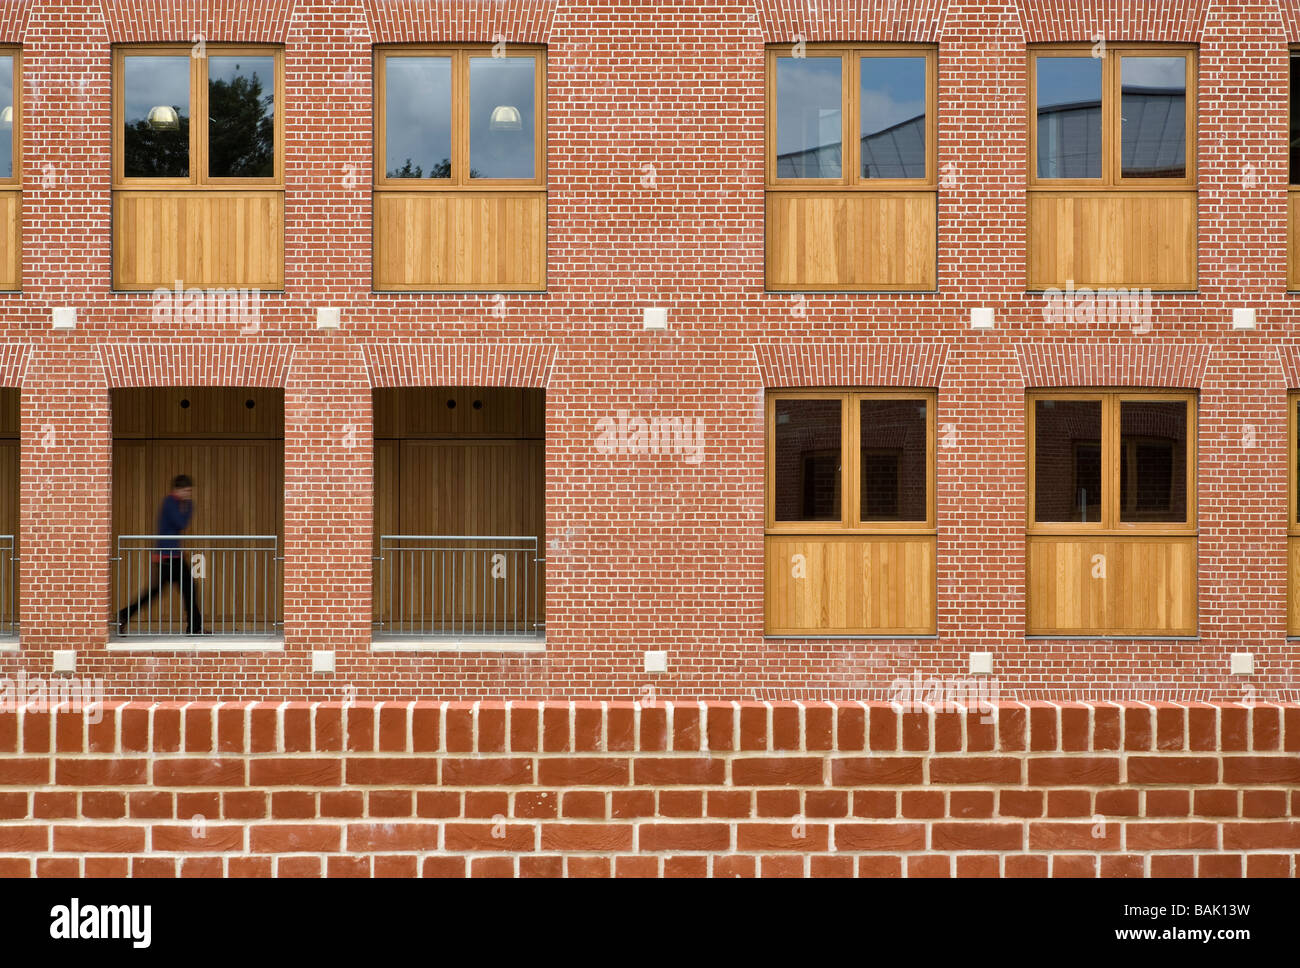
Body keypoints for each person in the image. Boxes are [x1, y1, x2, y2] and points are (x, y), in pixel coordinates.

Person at [118, 475, 204, 635]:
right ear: (177, 490)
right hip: (166, 557)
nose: (188, 494)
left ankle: (195, 627)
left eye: (190, 491)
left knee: (188, 588)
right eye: (186, 491)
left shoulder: (178, 503)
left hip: (174, 556)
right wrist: (189, 507)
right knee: (156, 592)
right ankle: (124, 614)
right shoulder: (170, 503)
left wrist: (187, 506)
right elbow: (181, 523)